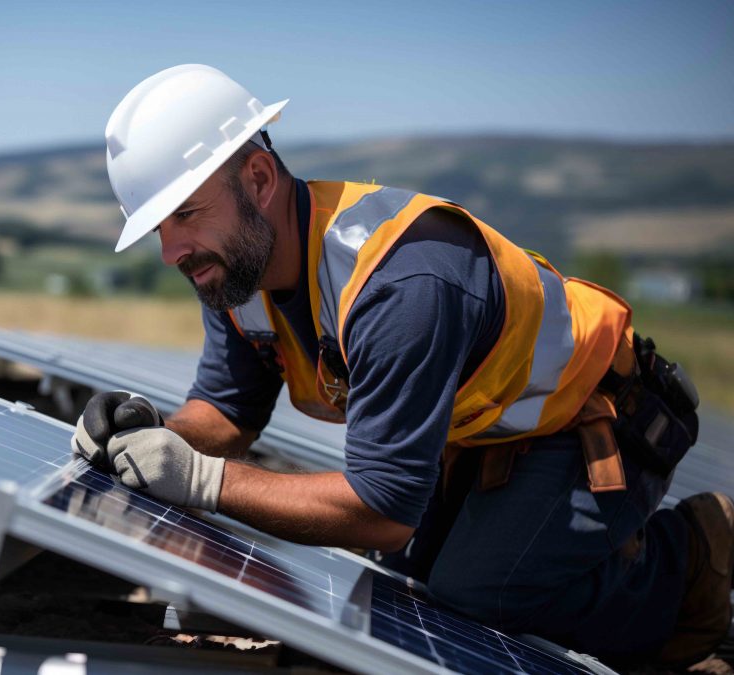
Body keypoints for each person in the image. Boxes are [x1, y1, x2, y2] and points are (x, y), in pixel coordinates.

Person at [72, 64, 731, 666]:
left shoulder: (400, 282)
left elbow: (384, 505)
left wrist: (204, 481)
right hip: (486, 434)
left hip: (602, 419)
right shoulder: (235, 270)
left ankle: (693, 558)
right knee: (408, 583)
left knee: (478, 589)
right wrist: (150, 430)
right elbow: (227, 410)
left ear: (259, 180)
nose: (171, 251)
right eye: (159, 226)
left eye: (185, 212)